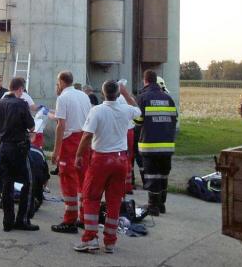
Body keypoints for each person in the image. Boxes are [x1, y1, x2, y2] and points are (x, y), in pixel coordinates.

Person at [74, 80, 141, 254]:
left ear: (103, 93)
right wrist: (126, 93)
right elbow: (139, 112)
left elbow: (87, 136)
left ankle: (90, 238)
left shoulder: (97, 111)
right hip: (121, 160)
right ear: (118, 93)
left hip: (101, 159)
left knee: (90, 197)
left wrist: (79, 155)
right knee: (114, 201)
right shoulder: (126, 109)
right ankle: (110, 242)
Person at [0, 77, 38, 232]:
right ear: (20, 89)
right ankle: (22, 220)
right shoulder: (21, 104)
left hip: (4, 148)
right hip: (19, 149)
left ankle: (7, 221)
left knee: (7, 184)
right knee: (28, 183)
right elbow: (31, 127)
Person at [51, 71, 92, 234]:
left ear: (61, 82)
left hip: (70, 142)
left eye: (57, 82)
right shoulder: (83, 96)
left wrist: (56, 150)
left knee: (68, 180)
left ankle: (69, 220)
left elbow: (61, 125)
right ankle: (84, 217)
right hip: (84, 139)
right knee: (83, 180)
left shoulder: (62, 98)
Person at [136, 70, 178, 216]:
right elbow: (174, 119)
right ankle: (161, 205)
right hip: (167, 145)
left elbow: (138, 121)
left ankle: (152, 206)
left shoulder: (143, 98)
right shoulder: (168, 98)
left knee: (152, 176)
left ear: (145, 80)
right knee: (163, 175)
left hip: (150, 145)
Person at [116, 94, 136, 195]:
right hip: (130, 130)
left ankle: (123, 185)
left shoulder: (117, 100)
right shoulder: (129, 100)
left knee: (121, 157)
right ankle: (129, 185)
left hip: (122, 131)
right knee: (129, 158)